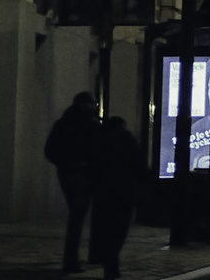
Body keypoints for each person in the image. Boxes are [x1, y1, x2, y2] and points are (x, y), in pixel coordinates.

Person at [45, 92, 100, 273]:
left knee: (77, 216)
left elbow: (50, 150)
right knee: (77, 216)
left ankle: (73, 258)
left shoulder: (64, 123)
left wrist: (66, 164)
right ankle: (71, 260)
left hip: (71, 173)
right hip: (80, 174)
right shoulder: (88, 125)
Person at [87, 117, 142, 280]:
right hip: (124, 192)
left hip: (103, 193)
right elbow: (138, 165)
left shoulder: (99, 140)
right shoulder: (127, 139)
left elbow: (93, 166)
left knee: (105, 228)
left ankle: (108, 260)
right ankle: (112, 260)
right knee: (119, 229)